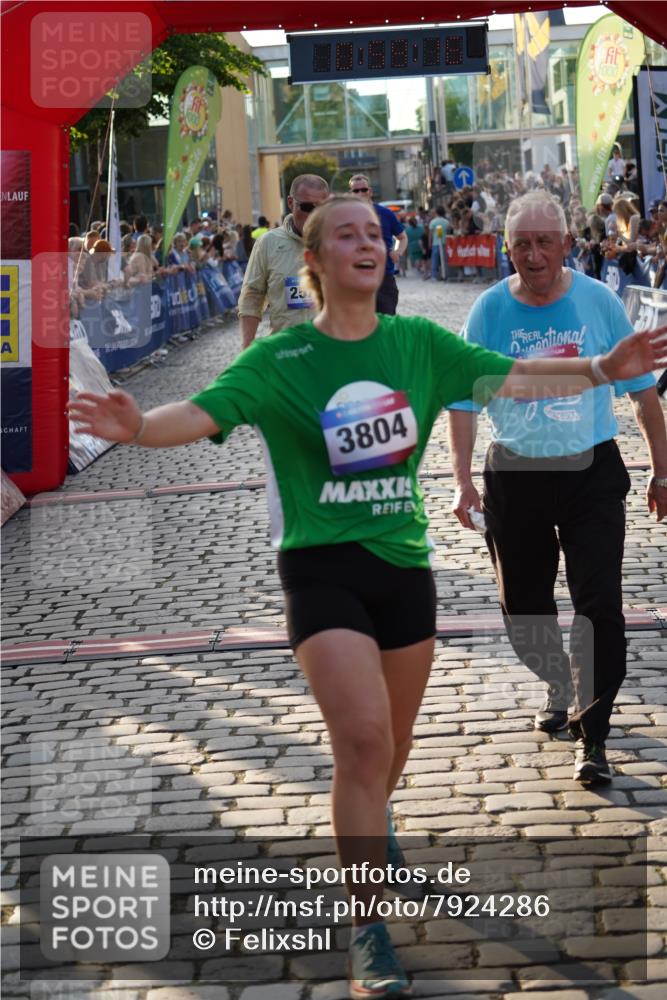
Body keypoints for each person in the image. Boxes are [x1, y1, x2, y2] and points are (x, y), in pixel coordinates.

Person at [68, 195, 667, 1000]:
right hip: (320, 572)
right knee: (357, 742)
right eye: (345, 234)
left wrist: (601, 369)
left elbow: (514, 379)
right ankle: (368, 927)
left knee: (386, 754)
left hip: (402, 572)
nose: (368, 243)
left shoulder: (417, 344)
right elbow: (200, 412)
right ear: (310, 261)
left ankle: (371, 827)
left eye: (374, 235)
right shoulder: (280, 362)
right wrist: (137, 426)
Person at [448, 191, 667, 786]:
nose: (534, 254)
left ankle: (593, 734)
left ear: (566, 245)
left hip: (590, 472)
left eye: (545, 242)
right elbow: (464, 400)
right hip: (514, 475)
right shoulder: (490, 311)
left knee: (599, 608)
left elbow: (645, 396)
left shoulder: (598, 303)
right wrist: (463, 479)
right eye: (522, 243)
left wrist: (661, 469)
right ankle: (558, 681)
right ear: (507, 249)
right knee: (524, 611)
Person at [238, 174, 329, 348]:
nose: (314, 215)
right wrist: (246, 347)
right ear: (290, 203)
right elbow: (252, 296)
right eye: (307, 206)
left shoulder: (340, 242)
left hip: (328, 350)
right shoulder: (268, 243)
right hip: (286, 351)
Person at [348, 174, 407, 314]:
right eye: (356, 191)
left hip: (384, 279)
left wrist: (397, 252)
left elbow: (402, 237)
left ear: (370, 191)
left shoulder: (385, 213)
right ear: (350, 194)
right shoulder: (345, 216)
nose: (360, 193)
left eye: (364, 189)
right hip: (356, 279)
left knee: (386, 327)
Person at [428, 206, 450, 281]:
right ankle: (446, 274)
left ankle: (434, 276)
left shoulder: (433, 222)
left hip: (435, 243)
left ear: (436, 213)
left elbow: (430, 234)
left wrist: (429, 242)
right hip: (445, 243)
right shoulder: (446, 222)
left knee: (435, 260)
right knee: (444, 260)